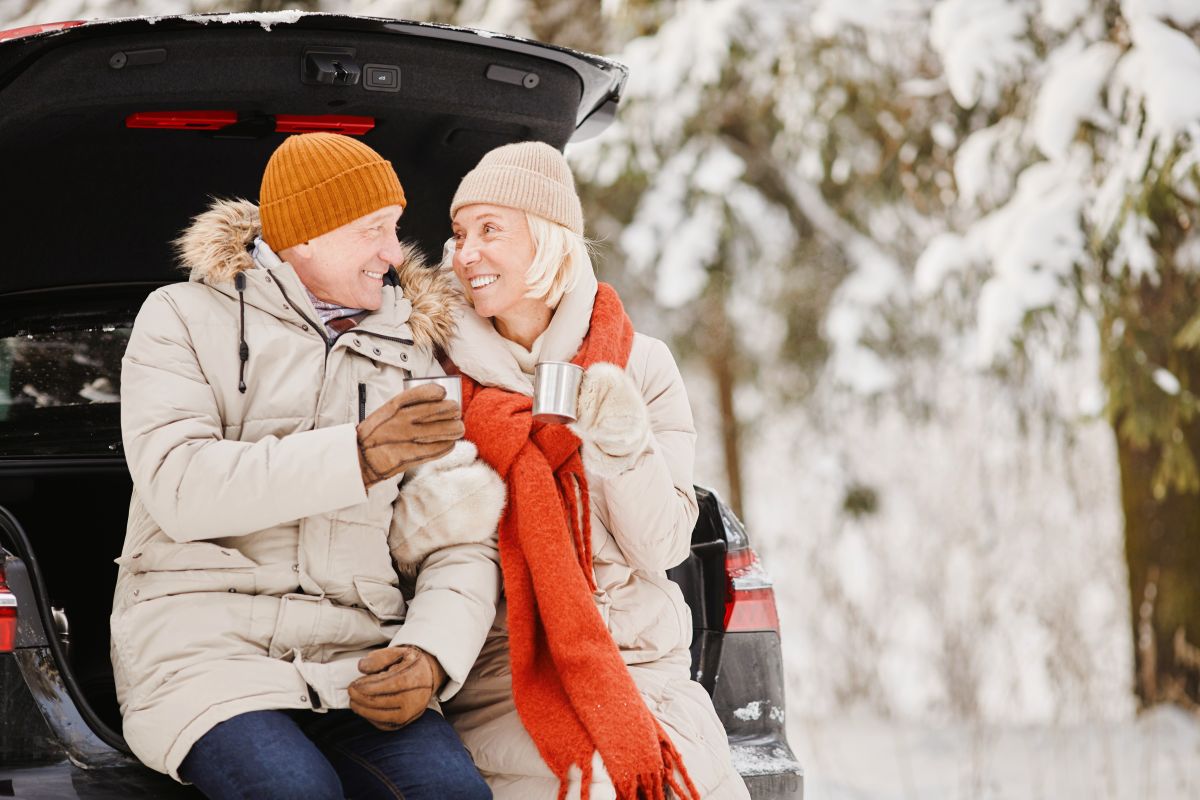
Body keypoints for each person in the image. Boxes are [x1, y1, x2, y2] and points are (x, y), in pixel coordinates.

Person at [111, 132, 506, 800]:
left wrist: (433, 655)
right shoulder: (179, 317)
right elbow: (179, 487)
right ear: (307, 235)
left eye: (396, 228)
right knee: (291, 791)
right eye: (373, 230)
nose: (394, 251)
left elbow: (457, 534)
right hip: (206, 655)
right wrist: (356, 456)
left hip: (355, 660)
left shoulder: (410, 349)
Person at [441, 141, 750, 800]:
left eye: (490, 231)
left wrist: (621, 446)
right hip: (510, 678)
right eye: (459, 233)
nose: (466, 254)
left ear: (548, 240)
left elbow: (663, 545)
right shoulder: (438, 376)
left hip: (647, 670)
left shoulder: (641, 364)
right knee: (602, 784)